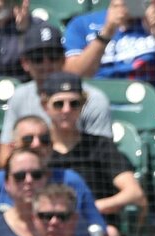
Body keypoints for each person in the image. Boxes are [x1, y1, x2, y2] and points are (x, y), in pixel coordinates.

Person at [0, 115, 115, 236]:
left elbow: (98, 230)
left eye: (36, 175)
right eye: (19, 176)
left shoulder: (71, 181)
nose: (36, 144)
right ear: (7, 183)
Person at [0, 23, 113, 170]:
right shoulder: (19, 97)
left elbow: (104, 156)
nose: (46, 64)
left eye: (52, 57)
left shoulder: (94, 99)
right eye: (38, 58)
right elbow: (4, 158)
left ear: (63, 59)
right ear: (25, 63)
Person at [41, 72, 144, 222]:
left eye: (74, 104)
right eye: (59, 104)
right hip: (48, 225)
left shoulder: (100, 146)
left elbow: (134, 193)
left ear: (83, 105)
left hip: (94, 226)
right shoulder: (38, 147)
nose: (66, 110)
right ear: (45, 106)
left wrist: (90, 208)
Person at [64, 0, 155, 100]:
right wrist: (107, 31)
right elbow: (71, 78)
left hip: (147, 106)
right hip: (95, 103)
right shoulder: (82, 24)